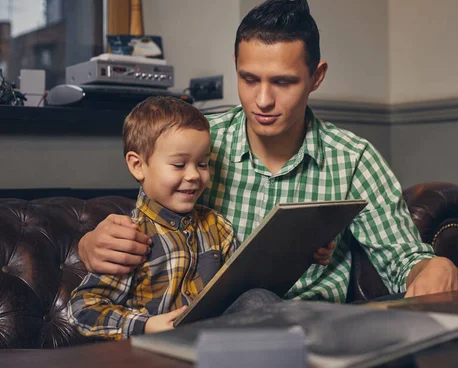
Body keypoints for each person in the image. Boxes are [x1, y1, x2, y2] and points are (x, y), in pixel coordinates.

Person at [76, 0, 458, 305]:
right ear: (236, 68)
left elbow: (403, 257)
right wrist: (90, 244)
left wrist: (431, 266)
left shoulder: (352, 158)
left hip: (312, 332)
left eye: (283, 82)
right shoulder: (198, 144)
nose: (262, 100)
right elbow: (150, 228)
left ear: (316, 77)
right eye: (249, 79)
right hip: (212, 329)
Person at [67, 96, 331, 340]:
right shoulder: (129, 237)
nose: (194, 175)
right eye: (179, 165)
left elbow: (243, 288)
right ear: (138, 165)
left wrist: (299, 253)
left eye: (202, 164)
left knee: (258, 298)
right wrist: (145, 325)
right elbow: (82, 309)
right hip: (160, 346)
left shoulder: (217, 227)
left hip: (215, 338)